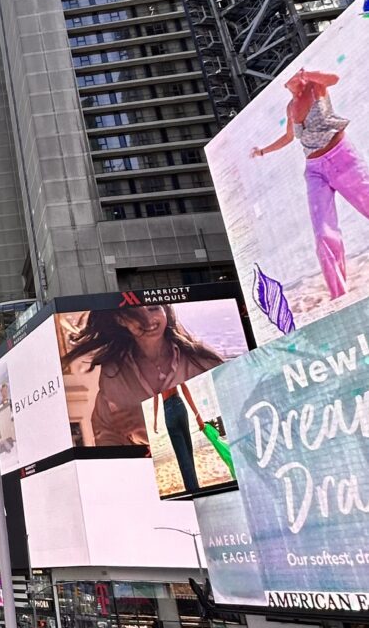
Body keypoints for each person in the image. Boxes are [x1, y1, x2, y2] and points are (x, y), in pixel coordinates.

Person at [251, 67, 369, 299]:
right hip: (314, 169)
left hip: (341, 157)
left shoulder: (316, 87)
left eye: (295, 75)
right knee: (323, 232)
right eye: (288, 80)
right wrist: (263, 151)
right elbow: (288, 137)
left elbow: (334, 78)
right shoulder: (290, 107)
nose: (292, 80)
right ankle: (339, 294)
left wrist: (311, 74)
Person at [62, 304, 225, 446]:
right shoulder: (112, 372)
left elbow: (230, 410)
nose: (148, 320)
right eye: (136, 314)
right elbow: (106, 429)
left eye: (154, 309)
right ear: (121, 320)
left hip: (208, 456)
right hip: (156, 470)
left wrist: (150, 419)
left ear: (166, 312)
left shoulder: (203, 362)